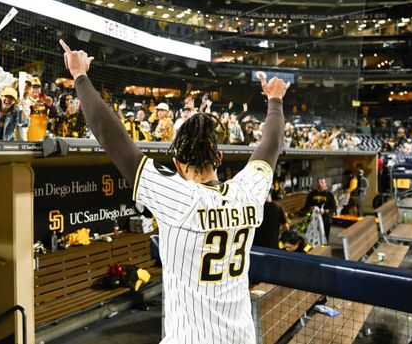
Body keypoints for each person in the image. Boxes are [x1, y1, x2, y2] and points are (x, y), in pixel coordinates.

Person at [59, 40, 289, 344]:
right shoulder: (246, 192)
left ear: (178, 164)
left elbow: (111, 136)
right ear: (219, 158)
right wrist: (275, 100)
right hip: (242, 338)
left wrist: (80, 77)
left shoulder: (178, 198)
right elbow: (271, 145)